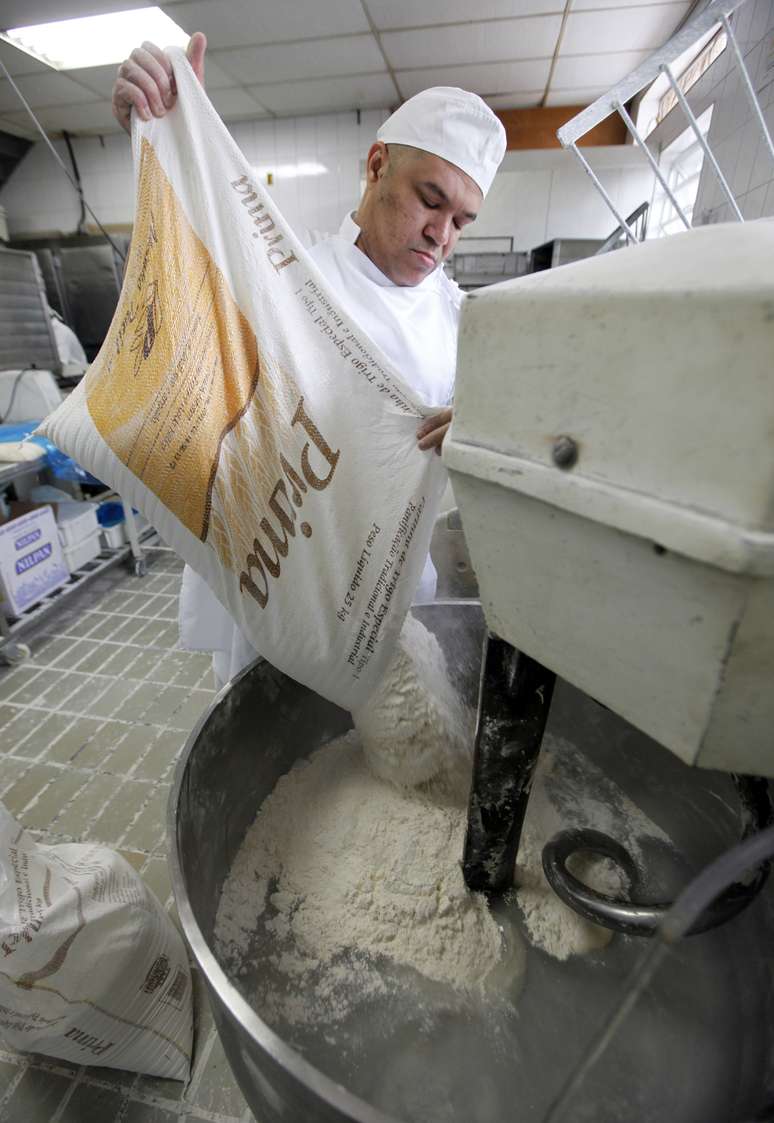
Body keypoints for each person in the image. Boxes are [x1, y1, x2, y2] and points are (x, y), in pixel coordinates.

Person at [112, 33, 506, 685]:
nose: (442, 234)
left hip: (391, 600)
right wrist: (171, 136)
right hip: (276, 591)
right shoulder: (289, 280)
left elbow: (519, 441)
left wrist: (485, 432)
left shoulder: (465, 322)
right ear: (377, 164)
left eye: (462, 219)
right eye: (430, 199)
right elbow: (183, 307)